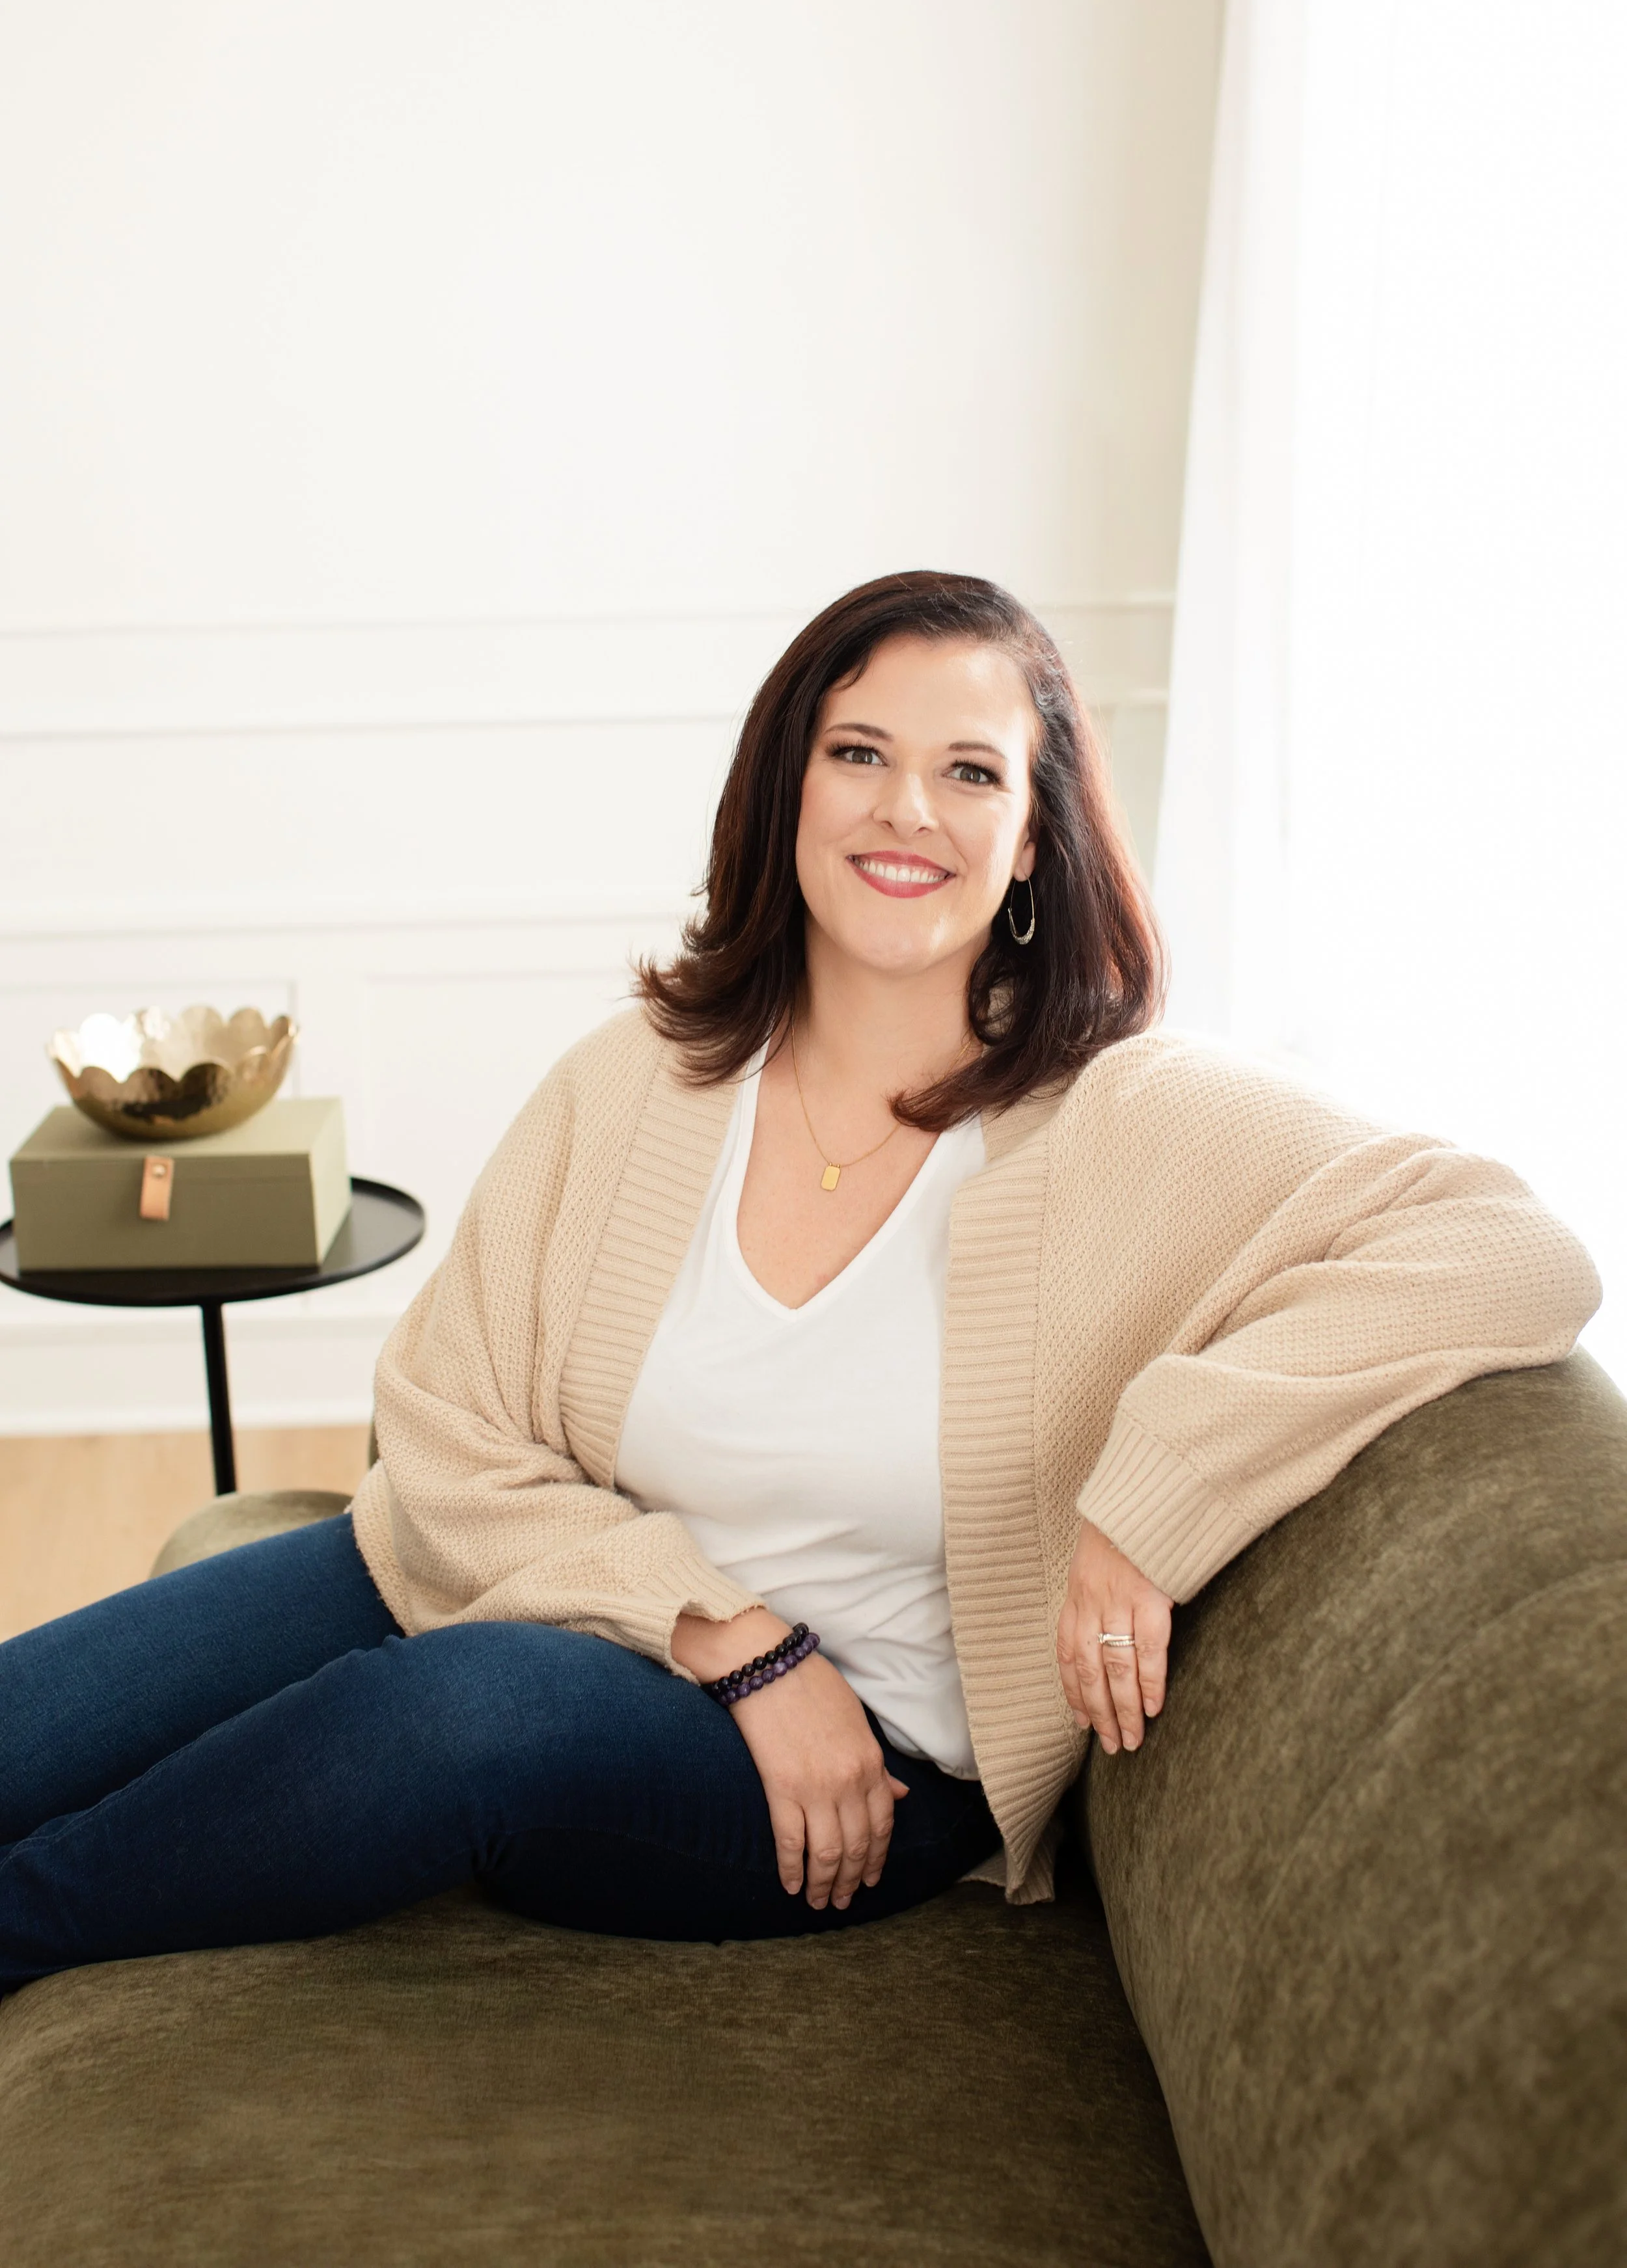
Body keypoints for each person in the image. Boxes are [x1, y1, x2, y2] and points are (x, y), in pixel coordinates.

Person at [0, 572, 1598, 1986]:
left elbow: (1502, 1245)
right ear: (788, 790)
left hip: (844, 1768)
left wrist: (1155, 1485)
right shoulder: (643, 1079)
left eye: (968, 771)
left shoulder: (1129, 1116)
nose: (907, 810)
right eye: (860, 755)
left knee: (458, 1715)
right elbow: (439, 1426)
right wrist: (729, 1634)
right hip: (574, 1594)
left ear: (1030, 838)